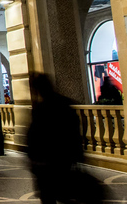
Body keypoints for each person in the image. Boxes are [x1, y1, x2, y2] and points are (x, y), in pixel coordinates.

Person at [28, 73, 103, 204]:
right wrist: (78, 155)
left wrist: (33, 159)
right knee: (64, 193)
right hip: (64, 158)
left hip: (47, 161)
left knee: (48, 196)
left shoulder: (40, 109)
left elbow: (33, 136)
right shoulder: (65, 104)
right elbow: (75, 131)